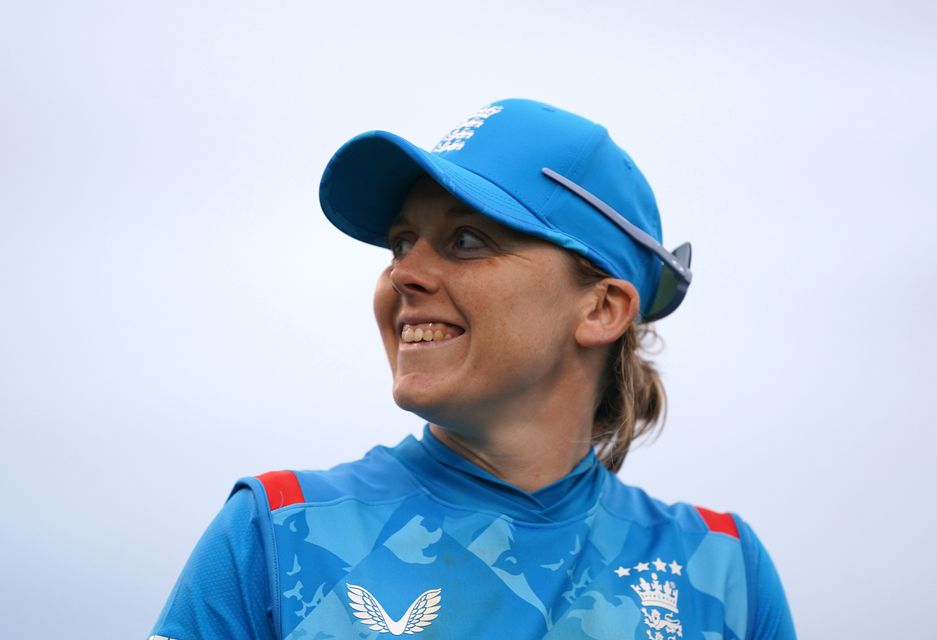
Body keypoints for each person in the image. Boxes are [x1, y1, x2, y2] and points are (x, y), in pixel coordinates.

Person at [149, 99, 795, 640]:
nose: (403, 272)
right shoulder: (273, 533)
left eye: (466, 240)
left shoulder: (721, 570)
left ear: (601, 308)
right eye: (401, 241)